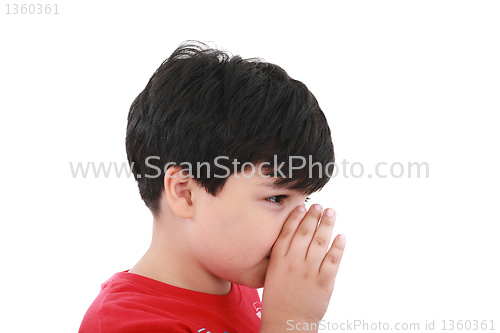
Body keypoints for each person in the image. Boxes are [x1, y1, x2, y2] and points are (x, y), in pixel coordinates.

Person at [79, 41, 346, 333]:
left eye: (304, 201)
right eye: (277, 197)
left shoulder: (240, 286)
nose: (300, 224)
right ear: (185, 193)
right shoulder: (126, 323)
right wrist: (294, 321)